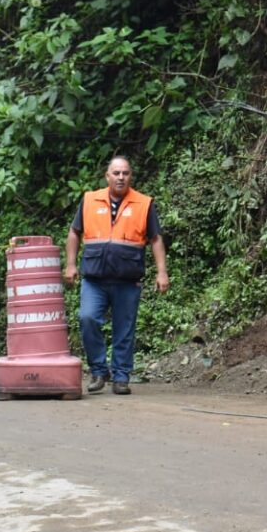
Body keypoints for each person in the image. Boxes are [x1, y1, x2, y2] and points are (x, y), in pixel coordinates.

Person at [65, 155, 169, 396]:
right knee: (87, 318)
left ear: (130, 176)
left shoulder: (144, 204)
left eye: (125, 173)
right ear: (107, 176)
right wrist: (70, 264)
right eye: (116, 173)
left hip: (127, 280)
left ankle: (121, 377)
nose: (121, 177)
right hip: (94, 279)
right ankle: (99, 370)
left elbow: (155, 239)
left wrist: (162, 272)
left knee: (125, 329)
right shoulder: (90, 200)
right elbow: (74, 232)